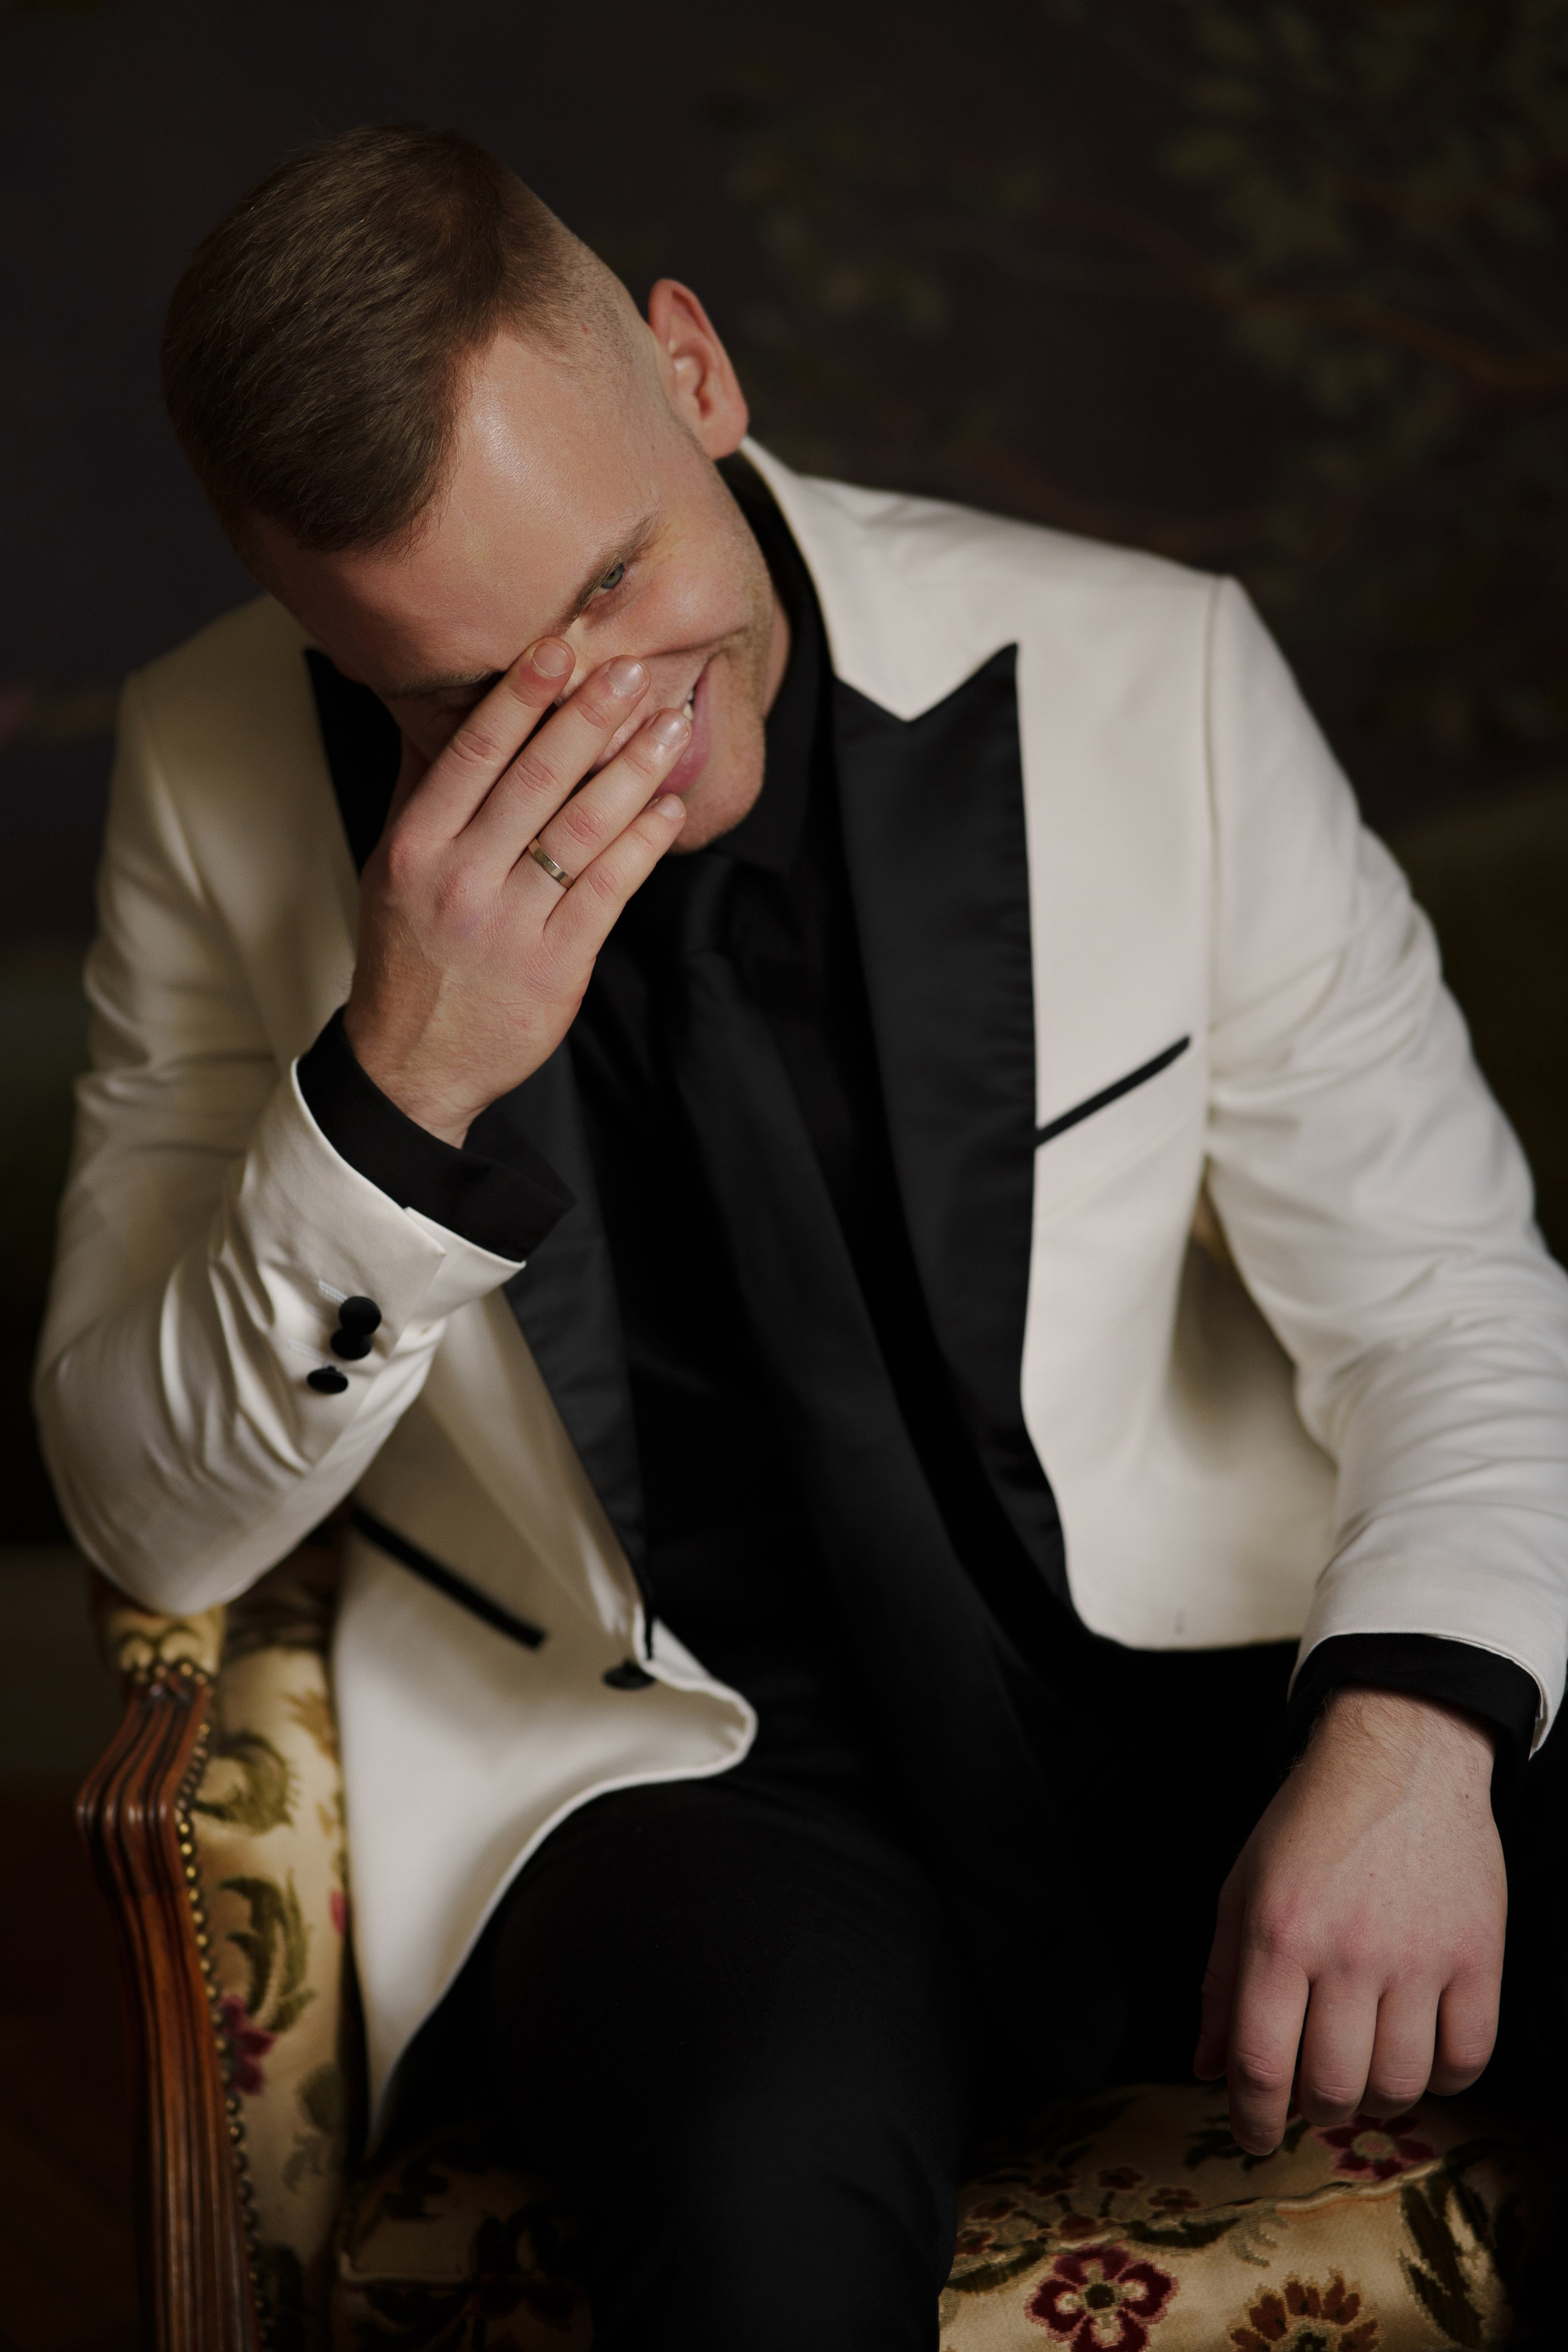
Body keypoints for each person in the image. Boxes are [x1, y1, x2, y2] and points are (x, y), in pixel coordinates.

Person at [36, 122, 1568, 2348]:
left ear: (697, 372)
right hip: (681, 1781)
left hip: (1203, 1675)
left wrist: (1416, 1728)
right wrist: (396, 1091)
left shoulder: (1160, 673)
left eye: (607, 585)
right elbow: (143, 1511)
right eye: (457, 695)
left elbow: (1450, 1299)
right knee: (759, 2220)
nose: (601, 723)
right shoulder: (208, 763)